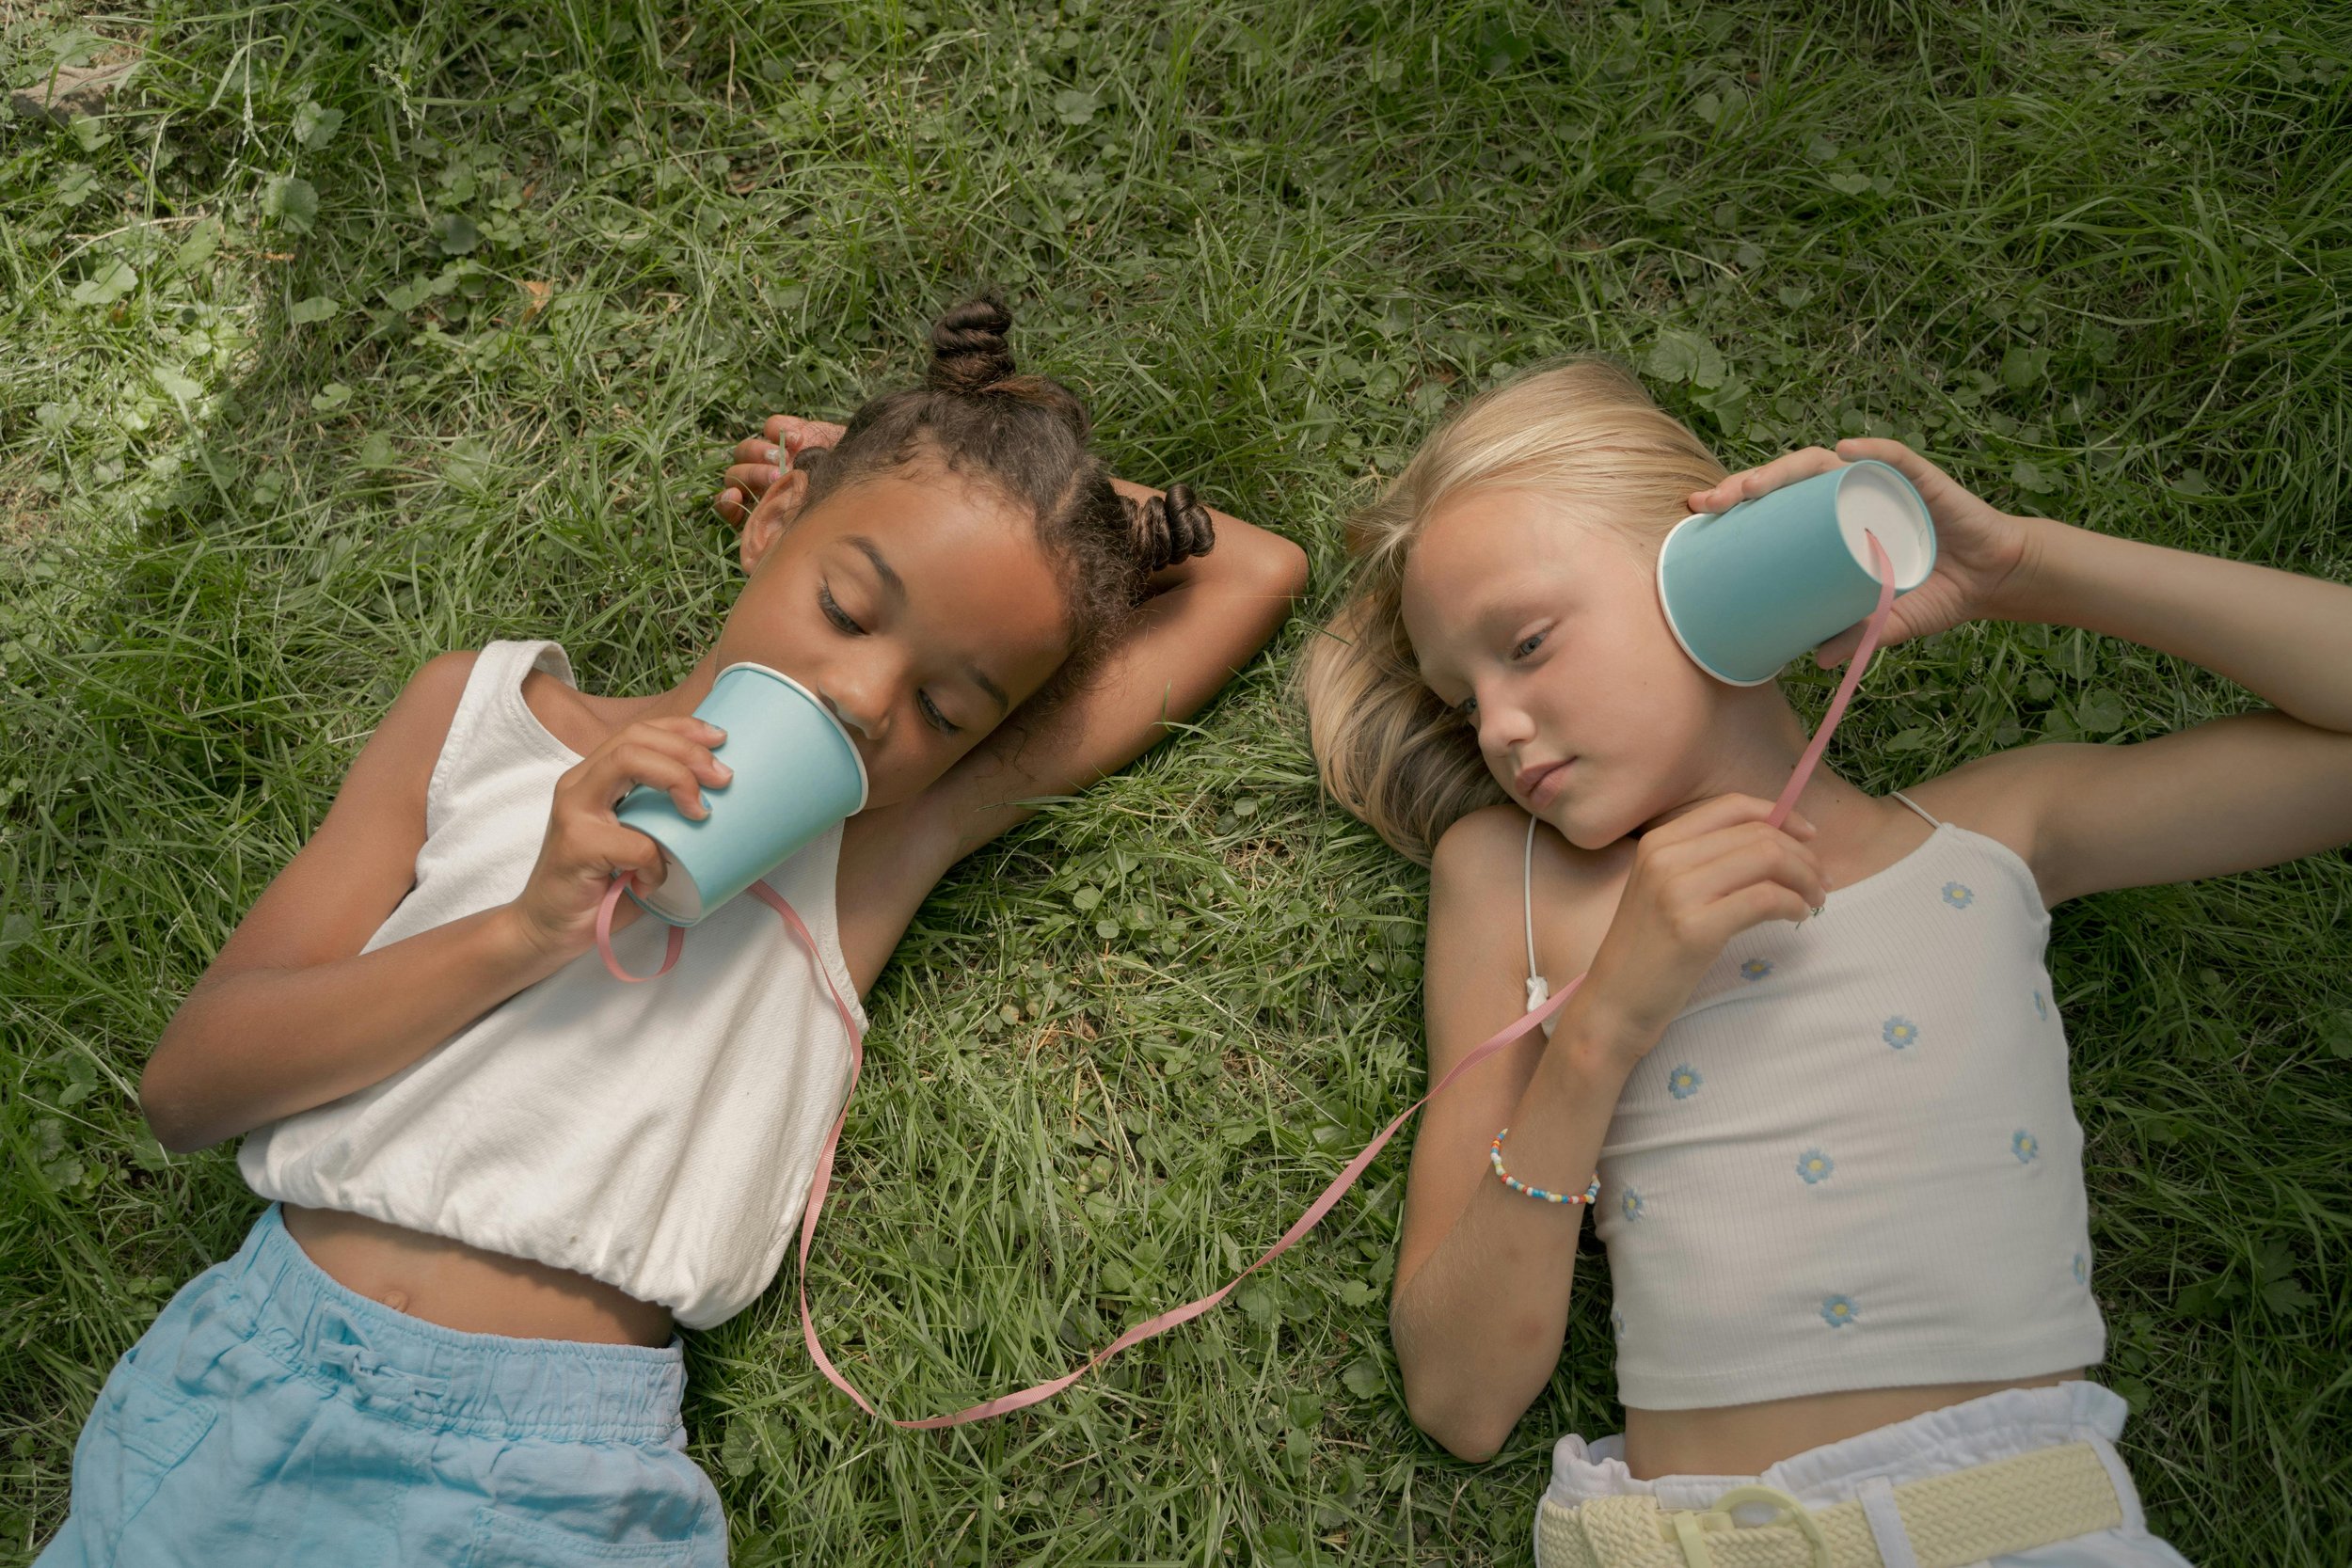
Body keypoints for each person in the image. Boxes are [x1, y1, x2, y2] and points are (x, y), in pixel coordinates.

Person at [39, 296, 1309, 1567]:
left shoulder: (871, 847)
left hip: (554, 1478)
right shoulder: (481, 717)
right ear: (771, 521)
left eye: (946, 709)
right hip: (247, 1383)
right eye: (849, 606)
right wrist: (521, 929)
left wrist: (984, 478)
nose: (868, 698)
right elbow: (188, 1090)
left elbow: (1255, 569)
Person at [1299, 358, 2351, 1566]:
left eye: (1526, 643)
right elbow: (1459, 1394)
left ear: (1710, 563)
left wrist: (2020, 567)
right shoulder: (1515, 880)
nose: (1493, 725)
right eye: (1460, 697)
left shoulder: (1993, 833)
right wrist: (1600, 1031)